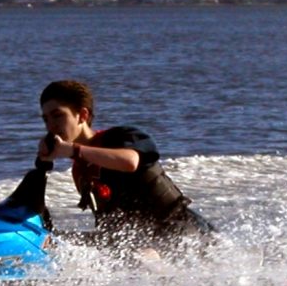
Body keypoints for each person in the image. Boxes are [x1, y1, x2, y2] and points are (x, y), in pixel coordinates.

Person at [35, 79, 213, 243]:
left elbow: (130, 162)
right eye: (46, 119)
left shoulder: (122, 137)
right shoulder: (80, 171)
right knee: (55, 242)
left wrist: (74, 150)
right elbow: (108, 224)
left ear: (82, 115)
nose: (51, 126)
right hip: (143, 240)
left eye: (58, 116)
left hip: (185, 232)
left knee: (142, 255)